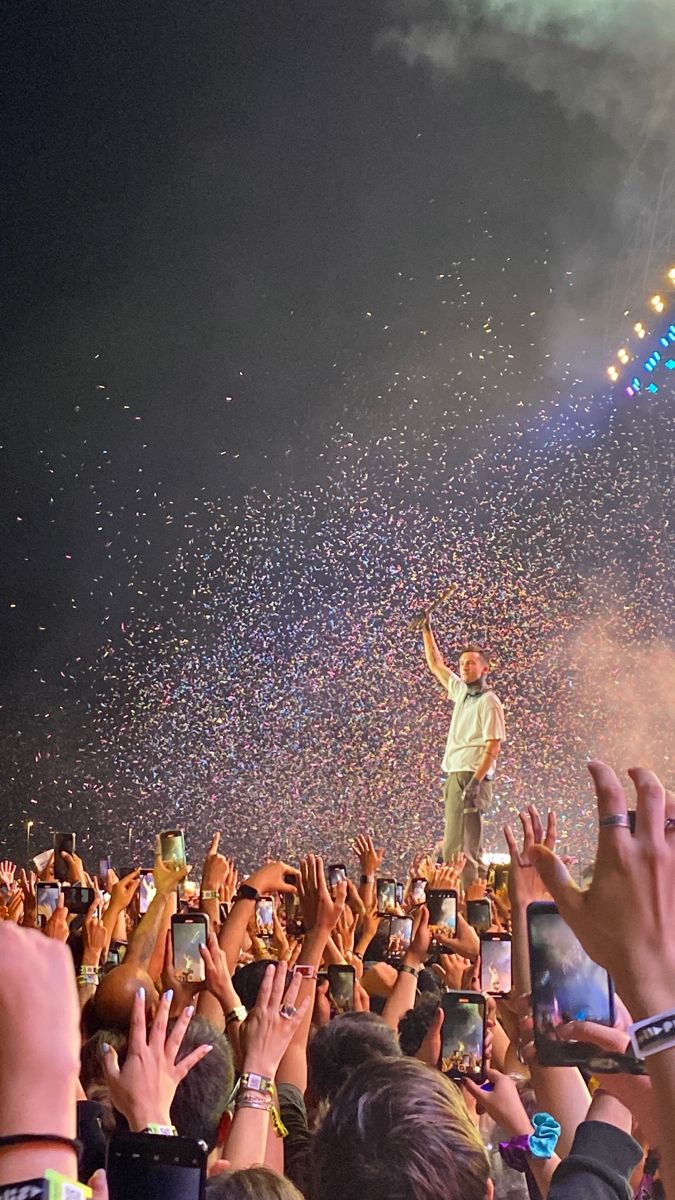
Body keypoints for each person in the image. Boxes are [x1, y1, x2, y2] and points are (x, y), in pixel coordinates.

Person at [421, 615, 506, 879]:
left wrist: (475, 782)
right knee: (465, 846)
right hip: (457, 775)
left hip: (470, 775)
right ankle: (470, 899)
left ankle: (461, 905)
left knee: (459, 849)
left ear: (484, 669)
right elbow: (436, 664)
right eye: (462, 664)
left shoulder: (488, 701)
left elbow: (493, 745)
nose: (465, 668)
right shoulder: (461, 693)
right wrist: (426, 630)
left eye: (471, 663)